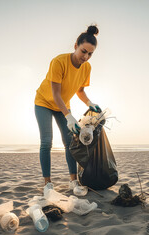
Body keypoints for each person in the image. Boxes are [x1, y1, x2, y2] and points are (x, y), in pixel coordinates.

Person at [34, 25, 101, 192]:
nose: (86, 57)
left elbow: (80, 90)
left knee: (69, 142)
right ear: (75, 46)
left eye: (90, 54)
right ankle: (48, 184)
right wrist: (68, 117)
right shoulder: (58, 62)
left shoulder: (87, 68)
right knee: (46, 142)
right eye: (83, 51)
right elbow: (56, 94)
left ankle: (73, 181)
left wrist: (89, 103)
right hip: (44, 102)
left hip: (63, 105)